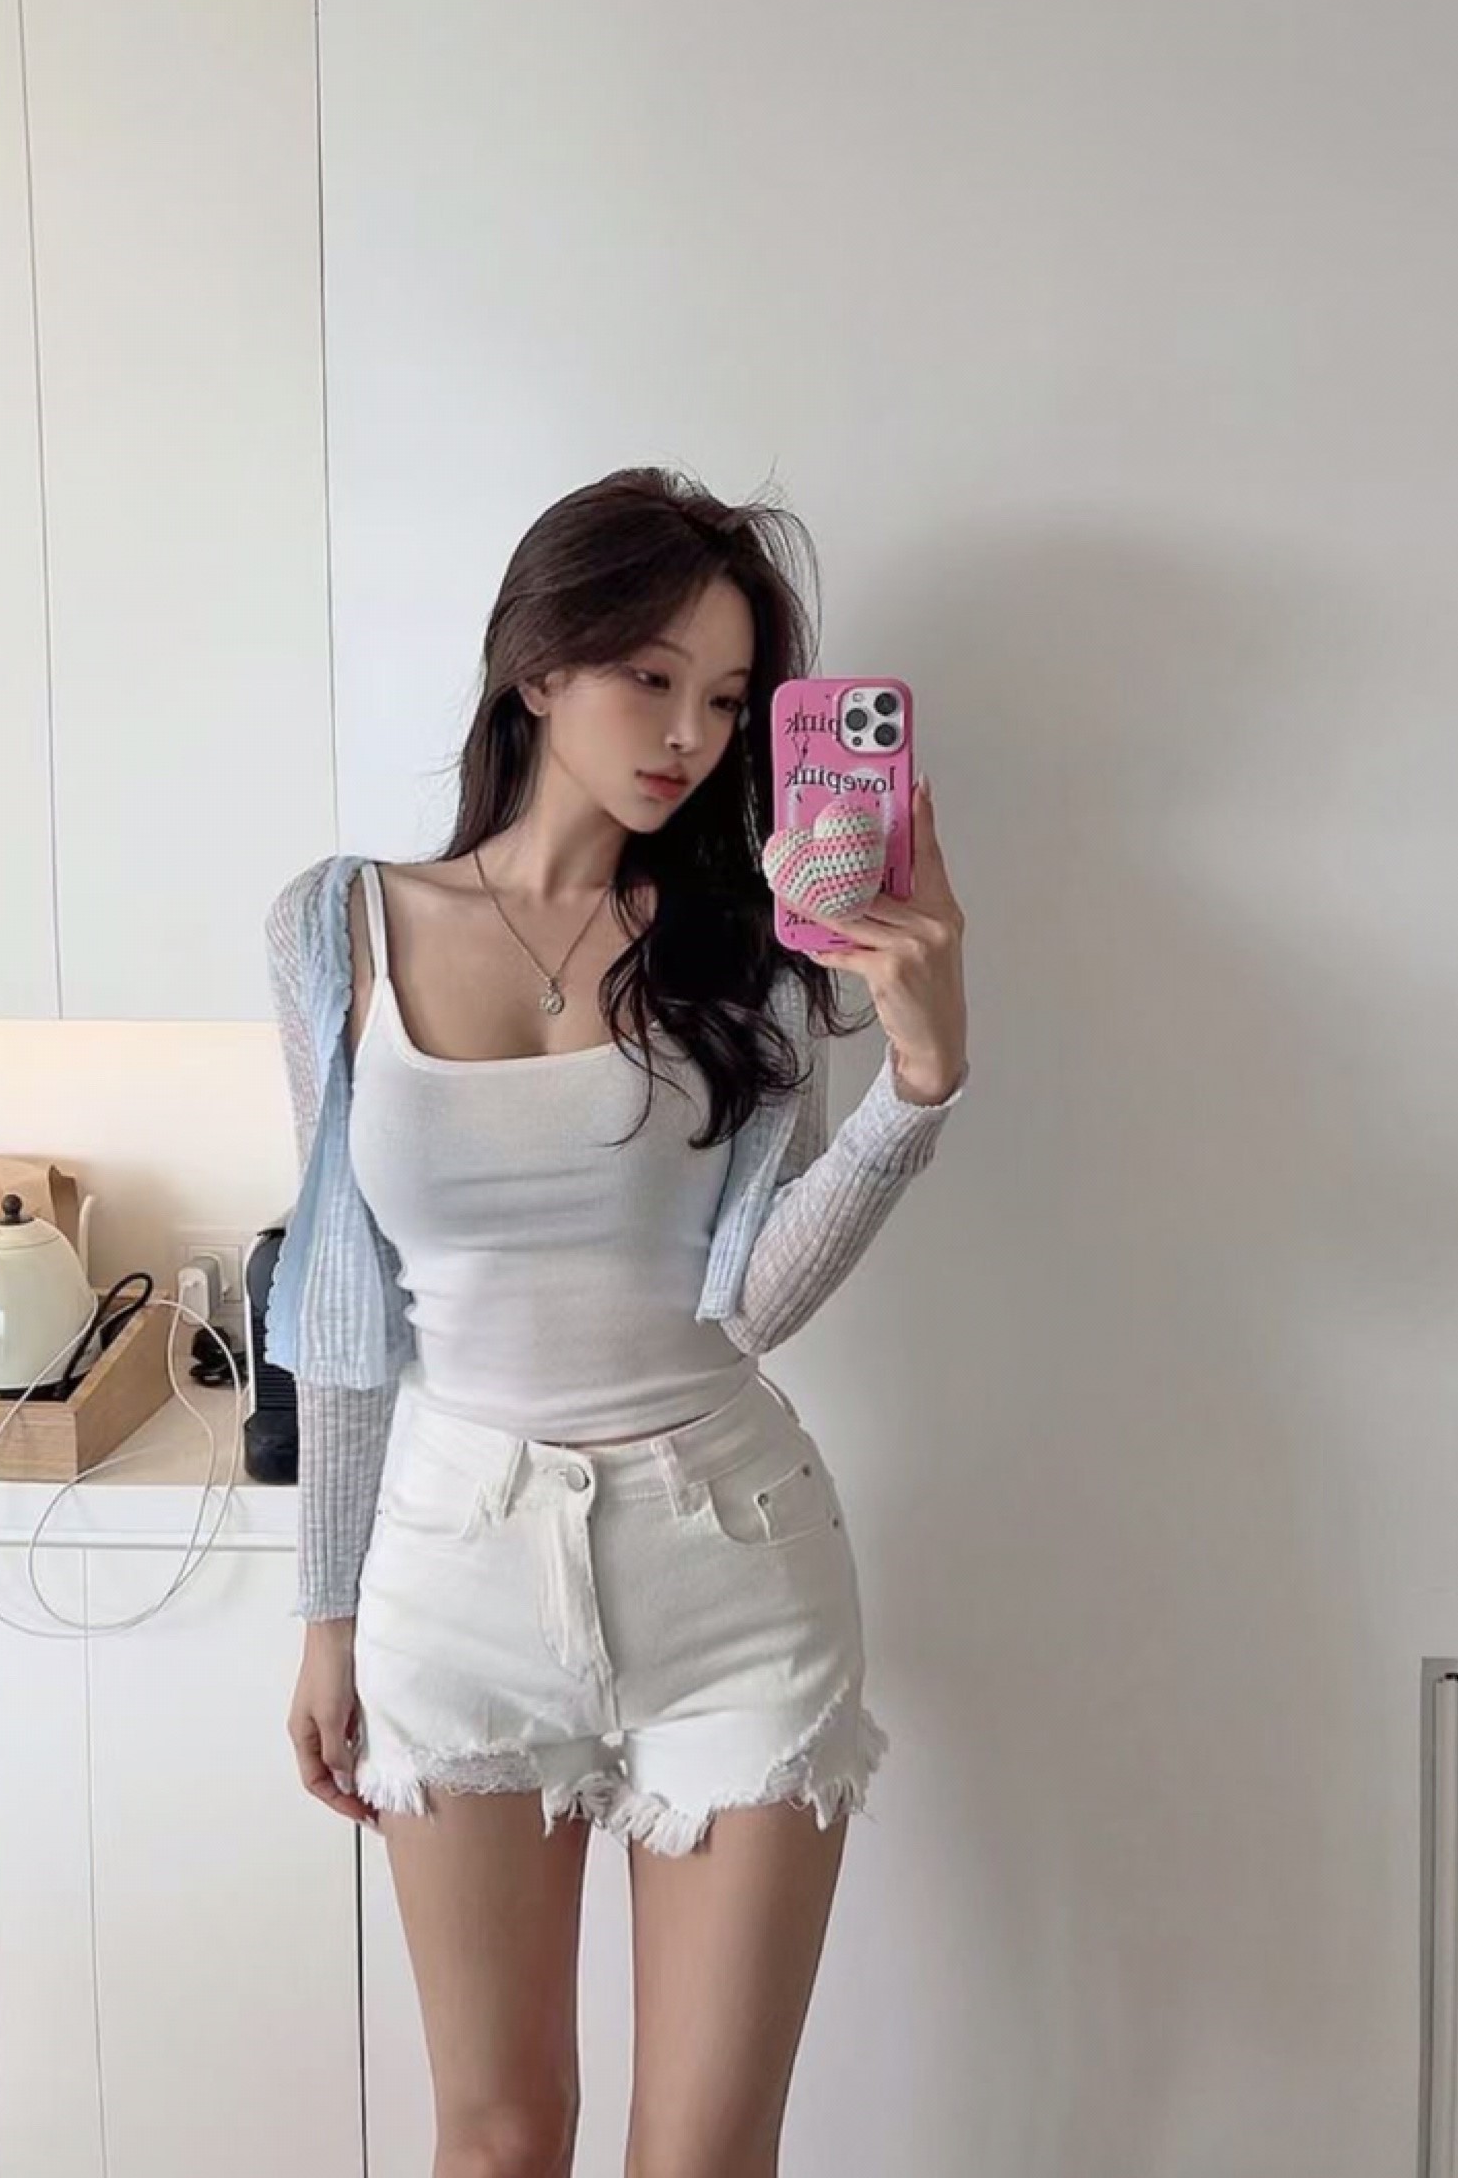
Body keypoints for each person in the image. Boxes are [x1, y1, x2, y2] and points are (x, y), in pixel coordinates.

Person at [261, 465, 970, 2177]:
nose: (690, 736)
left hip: (728, 1559)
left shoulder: (756, 951)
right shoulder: (338, 924)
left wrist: (920, 1083)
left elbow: (752, 1304)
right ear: (538, 665)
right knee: (500, 2139)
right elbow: (345, 1294)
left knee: (703, 2158)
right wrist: (326, 1614)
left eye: (726, 698)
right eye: (652, 678)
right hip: (455, 1560)